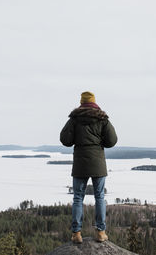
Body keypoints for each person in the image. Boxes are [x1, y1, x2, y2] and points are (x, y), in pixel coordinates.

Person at [60, 91, 118, 244]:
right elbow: (112, 141)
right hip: (98, 162)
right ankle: (100, 232)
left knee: (78, 197)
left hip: (80, 163)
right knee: (99, 196)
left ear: (81, 102)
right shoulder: (102, 118)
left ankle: (76, 234)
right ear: (94, 102)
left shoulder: (74, 119)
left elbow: (65, 140)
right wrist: (99, 143)